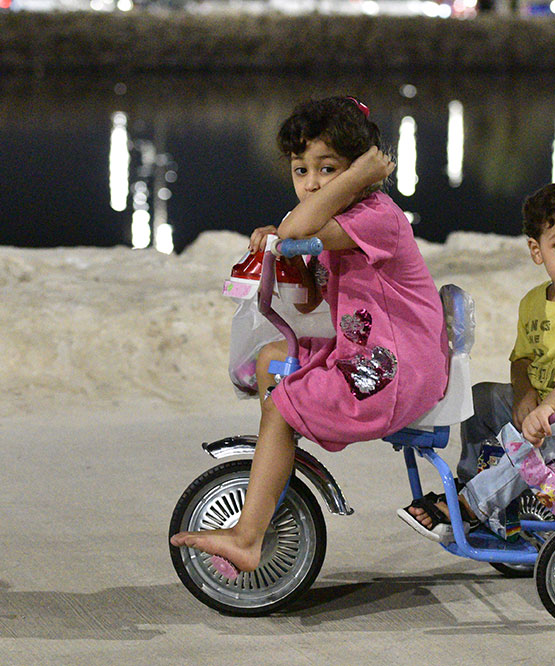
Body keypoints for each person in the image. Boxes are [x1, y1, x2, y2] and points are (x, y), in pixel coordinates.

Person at [171, 96, 450, 571]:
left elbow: (297, 225)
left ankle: (248, 536)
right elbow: (307, 299)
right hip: (365, 349)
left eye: (329, 169)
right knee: (271, 359)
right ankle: (274, 470)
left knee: (282, 406)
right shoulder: (331, 224)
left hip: (394, 367)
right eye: (301, 170)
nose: (313, 183)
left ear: (360, 171)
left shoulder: (376, 217)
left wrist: (355, 181)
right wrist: (283, 250)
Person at [399, 178, 555, 541]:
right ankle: (475, 483)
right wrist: (525, 396)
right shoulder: (533, 302)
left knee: (532, 438)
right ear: (537, 250)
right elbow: (522, 359)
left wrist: (547, 409)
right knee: (481, 399)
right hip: (546, 407)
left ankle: (469, 506)